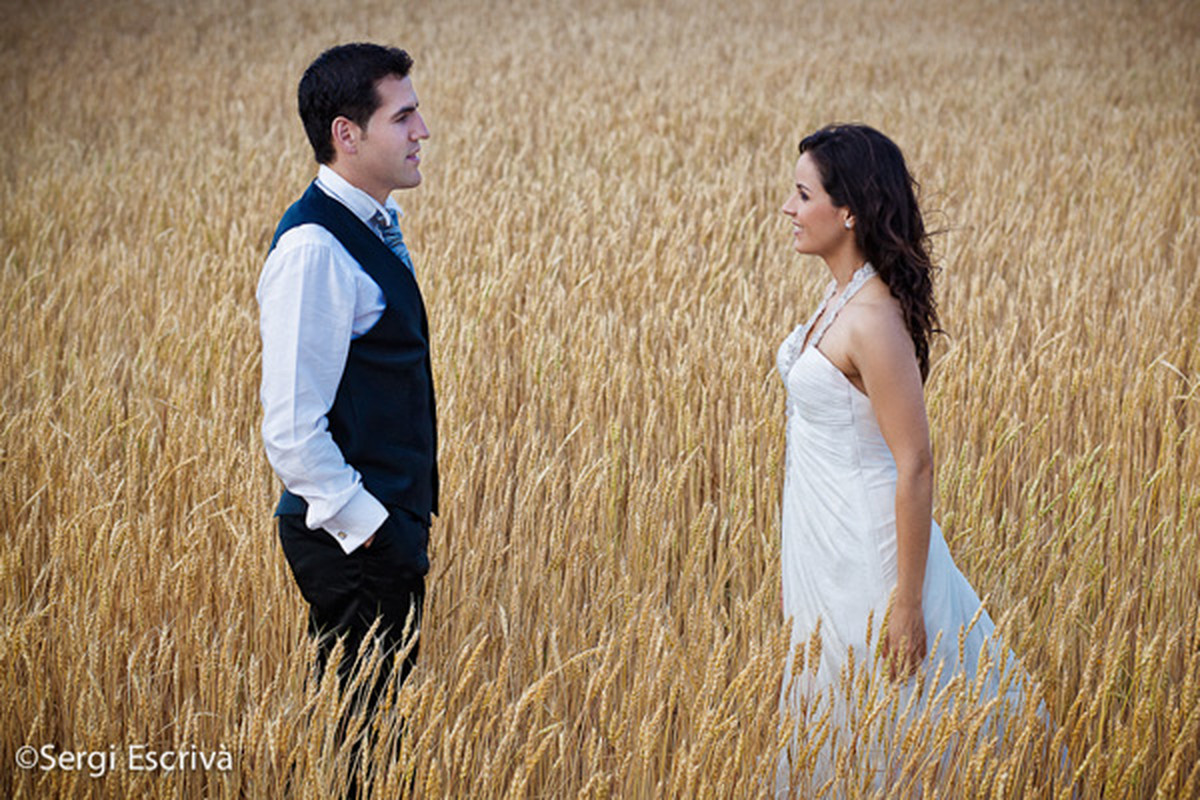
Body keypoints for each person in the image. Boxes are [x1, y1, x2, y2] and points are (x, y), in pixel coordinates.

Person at [773, 124, 1024, 793]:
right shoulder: (840, 297)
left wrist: (907, 604)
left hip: (869, 553)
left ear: (848, 209)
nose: (789, 208)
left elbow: (914, 462)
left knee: (888, 727)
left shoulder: (874, 320)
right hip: (825, 545)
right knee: (836, 722)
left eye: (803, 194)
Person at [257, 42, 436, 726]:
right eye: (404, 116)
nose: (422, 131)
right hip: (351, 540)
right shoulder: (314, 250)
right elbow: (292, 429)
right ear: (346, 134)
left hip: (376, 530)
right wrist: (373, 531)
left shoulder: (373, 226)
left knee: (380, 736)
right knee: (362, 746)